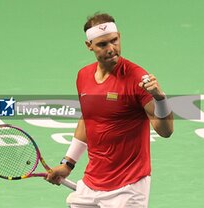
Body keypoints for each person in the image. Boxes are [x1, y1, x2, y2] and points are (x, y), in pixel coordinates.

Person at [46, 13, 174, 208]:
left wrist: (160, 98)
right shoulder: (84, 76)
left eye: (114, 41)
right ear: (89, 46)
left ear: (119, 37)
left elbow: (166, 131)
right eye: (102, 44)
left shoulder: (137, 78)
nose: (111, 48)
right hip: (92, 182)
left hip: (128, 186)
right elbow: (88, 121)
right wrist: (68, 163)